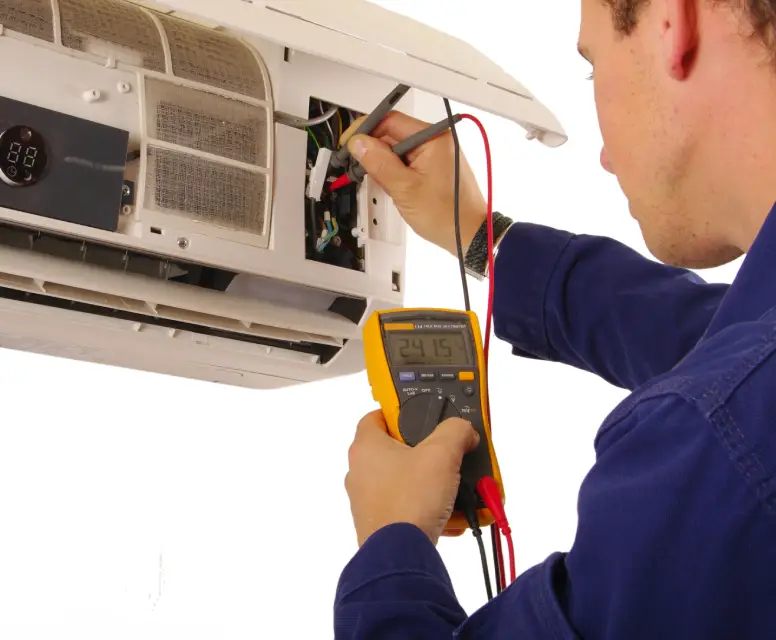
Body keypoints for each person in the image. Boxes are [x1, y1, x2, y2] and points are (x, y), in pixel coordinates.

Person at [335, 0, 776, 638]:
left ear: (673, 23)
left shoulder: (719, 445)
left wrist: (390, 544)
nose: (604, 157)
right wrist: (479, 236)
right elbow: (707, 341)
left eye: (593, 68)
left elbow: (724, 391)